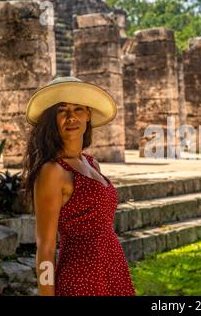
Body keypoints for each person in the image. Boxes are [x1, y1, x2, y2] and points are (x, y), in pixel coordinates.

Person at [21, 76, 136, 296]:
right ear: (51, 119)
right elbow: (45, 247)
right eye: (62, 110)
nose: (71, 117)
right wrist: (46, 294)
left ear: (88, 115)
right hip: (81, 278)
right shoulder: (53, 171)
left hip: (113, 267)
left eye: (78, 109)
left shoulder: (92, 163)